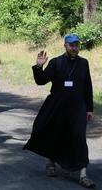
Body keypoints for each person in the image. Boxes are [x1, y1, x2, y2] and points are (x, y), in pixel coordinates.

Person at [23, 34, 95, 189]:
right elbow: (41, 81)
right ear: (65, 46)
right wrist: (38, 67)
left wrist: (89, 108)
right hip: (58, 106)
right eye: (71, 45)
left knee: (79, 137)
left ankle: (83, 174)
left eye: (76, 45)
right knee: (56, 133)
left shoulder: (83, 63)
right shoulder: (56, 62)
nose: (74, 48)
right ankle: (51, 163)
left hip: (78, 107)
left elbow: (87, 87)